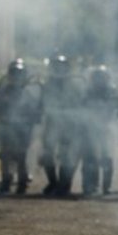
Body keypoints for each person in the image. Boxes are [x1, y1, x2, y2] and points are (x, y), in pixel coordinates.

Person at [0, 59, 39, 194]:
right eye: (14, 73)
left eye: (19, 74)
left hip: (22, 129)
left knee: (21, 156)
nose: (16, 77)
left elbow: (35, 113)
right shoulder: (3, 92)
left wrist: (26, 122)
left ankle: (22, 182)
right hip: (6, 127)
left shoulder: (28, 93)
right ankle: (6, 181)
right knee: (5, 156)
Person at [39, 54, 84, 197]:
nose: (59, 70)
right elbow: (41, 105)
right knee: (48, 154)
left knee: (68, 155)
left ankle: (65, 184)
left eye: (62, 67)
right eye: (56, 66)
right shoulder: (46, 85)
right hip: (52, 122)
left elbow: (80, 104)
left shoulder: (75, 85)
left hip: (69, 124)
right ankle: (53, 182)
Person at [80, 65, 118, 196]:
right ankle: (90, 186)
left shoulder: (112, 91)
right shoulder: (87, 91)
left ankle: (106, 187)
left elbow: (113, 109)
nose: (99, 80)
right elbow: (83, 108)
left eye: (102, 77)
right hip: (90, 128)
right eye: (97, 77)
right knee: (90, 158)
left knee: (107, 158)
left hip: (107, 127)